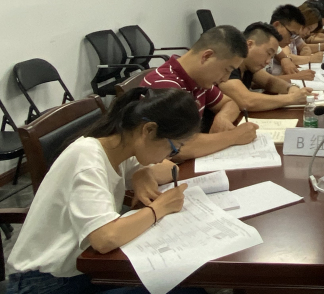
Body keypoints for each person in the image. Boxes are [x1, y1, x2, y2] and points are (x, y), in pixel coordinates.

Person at [6, 87, 203, 294]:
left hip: (81, 269)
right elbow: (105, 238)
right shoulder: (88, 159)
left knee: (183, 279)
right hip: (44, 283)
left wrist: (143, 173)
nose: (171, 155)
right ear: (148, 130)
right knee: (182, 288)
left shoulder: (121, 146)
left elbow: (171, 169)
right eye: (173, 147)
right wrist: (160, 208)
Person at [142, 25, 257, 160]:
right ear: (206, 56)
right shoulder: (165, 85)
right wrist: (234, 136)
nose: (225, 78)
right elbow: (174, 148)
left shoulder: (199, 80)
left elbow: (230, 103)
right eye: (226, 70)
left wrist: (223, 117)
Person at [219, 22, 312, 112]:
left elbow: (269, 81)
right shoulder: (228, 66)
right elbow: (246, 101)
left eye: (271, 57)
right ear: (249, 45)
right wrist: (291, 98)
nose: (268, 61)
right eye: (268, 53)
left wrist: (291, 88)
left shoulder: (248, 66)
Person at [268, 4, 315, 82]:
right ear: (276, 25)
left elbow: (283, 55)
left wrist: (285, 59)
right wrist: (296, 76)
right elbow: (257, 82)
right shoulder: (260, 44)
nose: (291, 40)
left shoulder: (275, 45)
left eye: (295, 36)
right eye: (291, 34)